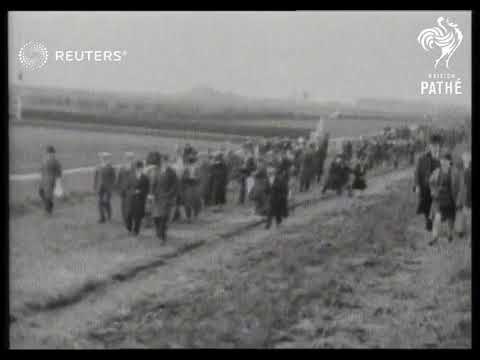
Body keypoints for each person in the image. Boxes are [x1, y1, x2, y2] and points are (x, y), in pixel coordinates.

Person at [414, 134, 441, 232]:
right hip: (425, 187)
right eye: (433, 145)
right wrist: (417, 186)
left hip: (437, 187)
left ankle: (433, 220)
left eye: (437, 145)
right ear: (430, 146)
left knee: (436, 205)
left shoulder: (442, 159)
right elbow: (417, 173)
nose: (435, 147)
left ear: (439, 146)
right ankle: (428, 220)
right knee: (426, 205)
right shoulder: (422, 158)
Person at [428, 153, 457, 245]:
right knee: (437, 218)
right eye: (442, 160)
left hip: (450, 200)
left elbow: (457, 186)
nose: (444, 162)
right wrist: (433, 191)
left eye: (446, 161)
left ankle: (450, 236)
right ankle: (434, 237)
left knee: (450, 219)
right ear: (440, 161)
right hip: (438, 199)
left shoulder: (453, 172)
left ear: (450, 162)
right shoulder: (436, 172)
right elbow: (431, 182)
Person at [150, 155, 179, 243]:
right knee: (156, 217)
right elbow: (153, 183)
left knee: (163, 217)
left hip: (167, 198)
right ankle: (159, 232)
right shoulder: (157, 171)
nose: (164, 163)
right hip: (157, 198)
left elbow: (175, 186)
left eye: (166, 162)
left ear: (168, 162)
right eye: (163, 162)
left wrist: (169, 194)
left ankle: (162, 236)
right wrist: (151, 194)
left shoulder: (172, 173)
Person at [125, 161, 150, 236]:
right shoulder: (130, 176)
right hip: (131, 199)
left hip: (140, 200)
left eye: (140, 168)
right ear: (135, 168)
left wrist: (140, 192)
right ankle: (129, 228)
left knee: (137, 216)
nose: (139, 169)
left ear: (142, 168)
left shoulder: (145, 178)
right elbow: (127, 188)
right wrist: (133, 192)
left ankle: (136, 231)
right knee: (129, 215)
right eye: (137, 168)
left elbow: (147, 189)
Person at [38, 145, 62, 215]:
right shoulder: (44, 160)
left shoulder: (56, 161)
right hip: (44, 180)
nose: (48, 154)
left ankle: (48, 212)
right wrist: (41, 178)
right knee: (41, 192)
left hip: (51, 181)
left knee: (48, 196)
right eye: (48, 153)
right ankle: (49, 206)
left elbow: (59, 172)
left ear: (53, 153)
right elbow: (42, 170)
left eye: (50, 153)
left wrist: (58, 183)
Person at [93, 152, 116, 223]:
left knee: (106, 202)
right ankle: (102, 218)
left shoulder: (110, 167)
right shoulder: (98, 166)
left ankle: (109, 216)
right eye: (102, 158)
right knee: (100, 202)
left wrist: (111, 188)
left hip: (108, 188)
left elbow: (113, 178)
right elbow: (96, 177)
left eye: (105, 158)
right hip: (100, 187)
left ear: (107, 159)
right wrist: (95, 186)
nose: (103, 159)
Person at [116, 152, 136, 227]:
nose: (129, 159)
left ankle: (129, 221)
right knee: (124, 206)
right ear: (125, 158)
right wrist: (118, 188)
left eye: (130, 158)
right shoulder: (122, 168)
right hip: (123, 190)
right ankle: (125, 220)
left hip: (131, 190)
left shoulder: (135, 168)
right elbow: (119, 179)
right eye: (127, 158)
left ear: (132, 159)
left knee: (130, 206)